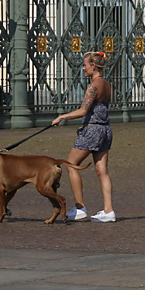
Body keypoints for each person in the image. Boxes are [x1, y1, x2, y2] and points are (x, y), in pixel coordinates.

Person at [51, 51, 115, 222]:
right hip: (105, 130)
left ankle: (80, 208)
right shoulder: (107, 84)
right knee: (102, 171)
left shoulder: (93, 85)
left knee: (71, 165)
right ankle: (109, 211)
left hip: (92, 130)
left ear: (93, 66)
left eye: (85, 65)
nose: (83, 68)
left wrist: (62, 117)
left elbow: (83, 110)